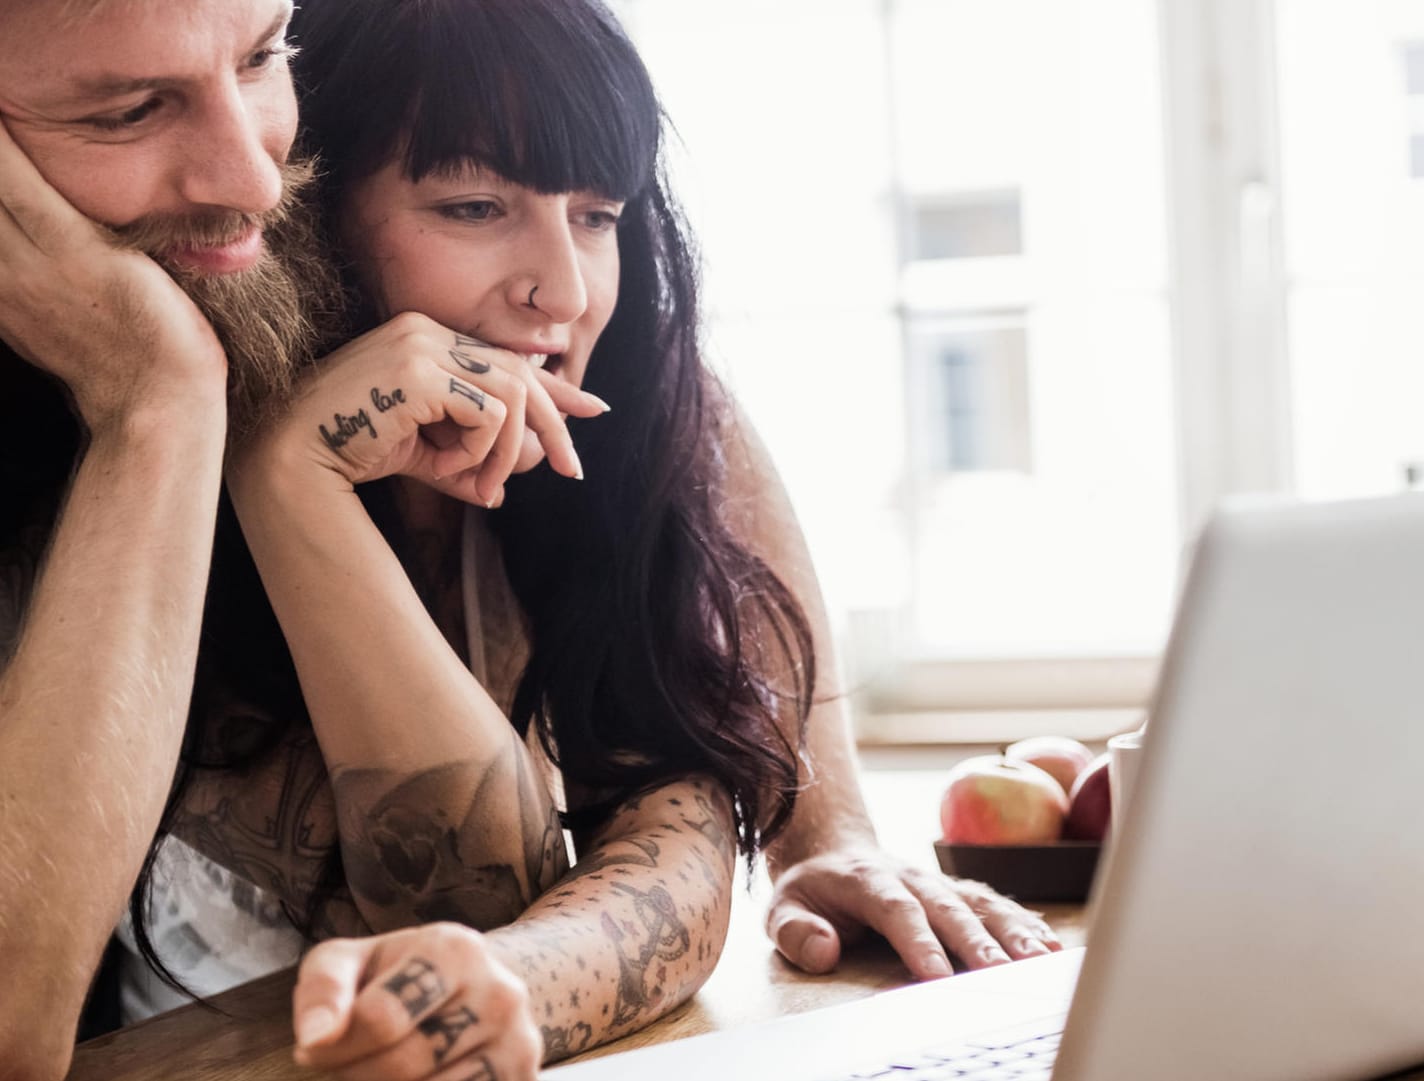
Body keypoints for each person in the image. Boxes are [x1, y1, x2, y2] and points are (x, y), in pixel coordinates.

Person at [0, 0, 1058, 1077]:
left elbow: (666, 818)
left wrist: (815, 835)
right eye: (470, 204)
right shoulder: (146, 403)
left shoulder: (583, 403)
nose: (563, 289)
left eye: (599, 215)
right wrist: (218, 433)